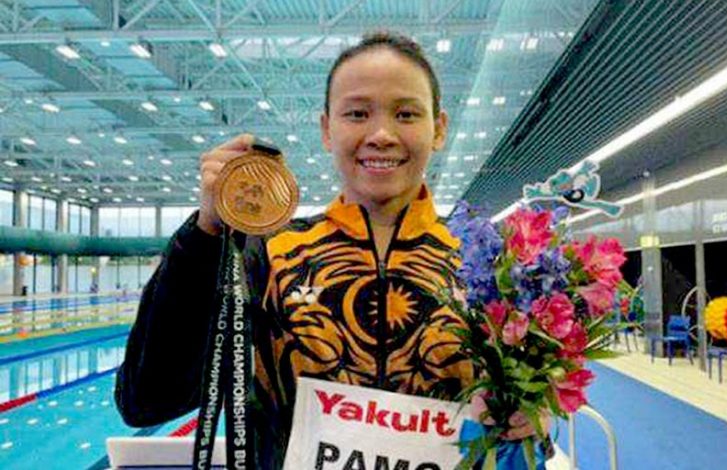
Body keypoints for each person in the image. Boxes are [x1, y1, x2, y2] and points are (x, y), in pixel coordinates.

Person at [115, 31, 545, 469]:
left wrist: (533, 415)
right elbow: (146, 401)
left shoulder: (489, 267)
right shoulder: (271, 256)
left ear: (439, 129)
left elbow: (522, 422)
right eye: (357, 113)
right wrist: (206, 237)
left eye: (406, 114)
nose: (381, 134)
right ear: (326, 129)